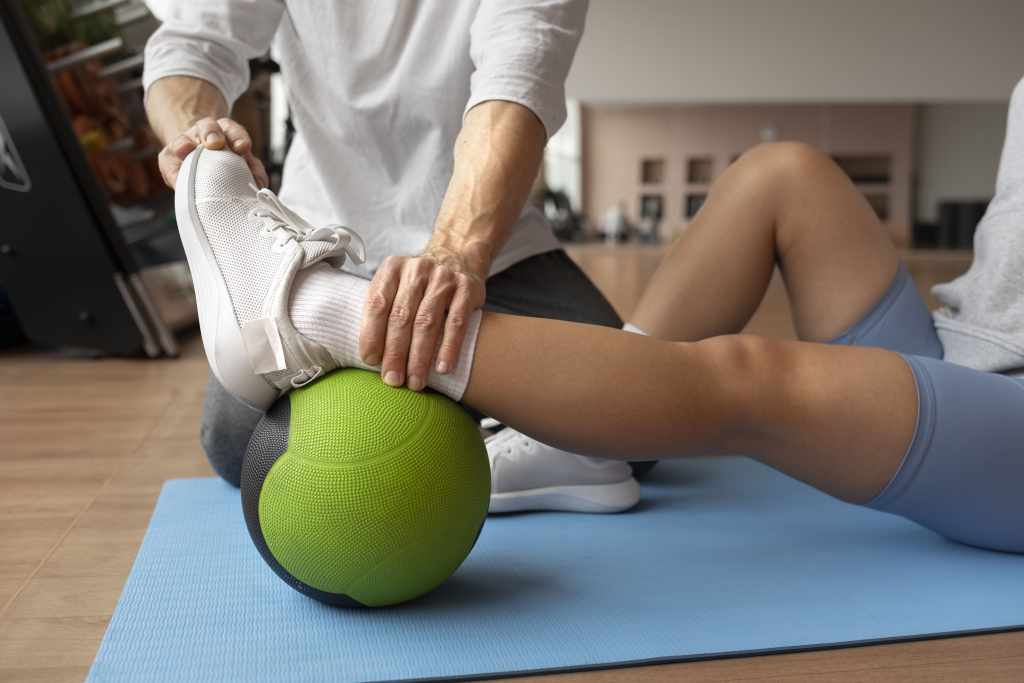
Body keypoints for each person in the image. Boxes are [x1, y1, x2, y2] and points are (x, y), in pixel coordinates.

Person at [174, 73, 1024, 554]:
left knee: (749, 375)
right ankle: (582, 443)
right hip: (969, 346)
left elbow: (518, 72)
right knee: (783, 175)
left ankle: (313, 314)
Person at [143, 0, 650, 512]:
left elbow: (519, 75)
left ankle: (427, 403)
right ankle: (447, 399)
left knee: (633, 425)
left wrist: (454, 251)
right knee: (239, 448)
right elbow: (196, 41)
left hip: (492, 248)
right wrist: (199, 137)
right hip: (321, 245)